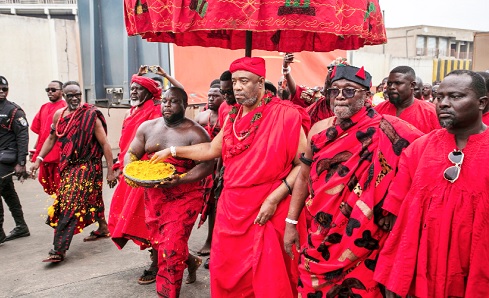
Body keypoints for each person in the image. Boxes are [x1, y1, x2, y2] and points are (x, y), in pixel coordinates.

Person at [150, 57, 310, 297]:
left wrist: (274, 198)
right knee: (225, 269)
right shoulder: (232, 117)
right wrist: (172, 151)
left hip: (267, 208)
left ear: (260, 82)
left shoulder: (286, 115)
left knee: (267, 277)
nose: (236, 87)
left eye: (244, 81)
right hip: (231, 208)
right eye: (234, 81)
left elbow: (302, 166)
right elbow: (212, 150)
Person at [282, 65, 423, 297]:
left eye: (349, 90)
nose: (339, 96)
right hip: (319, 229)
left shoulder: (388, 129)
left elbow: (421, 162)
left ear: (367, 96)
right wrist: (291, 222)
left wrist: (392, 207)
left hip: (364, 236)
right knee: (310, 285)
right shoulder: (318, 130)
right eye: (334, 90)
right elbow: (304, 176)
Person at [374, 70, 489, 298]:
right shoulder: (420, 148)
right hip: (422, 270)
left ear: (481, 103)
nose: (443, 104)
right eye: (439, 96)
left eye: (455, 97)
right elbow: (398, 212)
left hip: (474, 268)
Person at [125, 87, 213, 297]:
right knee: (161, 242)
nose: (166, 105)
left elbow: (208, 165)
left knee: (171, 246)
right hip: (154, 195)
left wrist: (179, 180)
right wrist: (133, 172)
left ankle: (167, 292)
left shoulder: (196, 133)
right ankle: (191, 262)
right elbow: (132, 153)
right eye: (164, 101)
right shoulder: (147, 127)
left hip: (185, 195)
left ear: (185, 105)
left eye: (173, 101)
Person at [30, 81, 117, 262]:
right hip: (69, 167)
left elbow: (105, 144)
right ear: (64, 96)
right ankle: (103, 228)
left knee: (69, 204)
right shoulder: (58, 115)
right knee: (92, 197)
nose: (75, 98)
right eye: (71, 95)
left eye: (77, 94)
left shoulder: (90, 115)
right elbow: (51, 138)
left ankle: (58, 249)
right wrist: (38, 159)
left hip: (88, 166)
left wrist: (110, 170)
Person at [108, 74, 163, 285]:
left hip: (147, 173)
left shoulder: (156, 110)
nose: (133, 92)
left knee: (147, 218)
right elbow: (125, 143)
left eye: (138, 88)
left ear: (149, 92)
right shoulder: (133, 112)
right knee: (134, 218)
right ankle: (158, 256)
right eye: (131, 88)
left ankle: (160, 262)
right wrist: (118, 165)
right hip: (129, 171)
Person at [193, 79, 224, 259]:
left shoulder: (227, 115)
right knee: (208, 205)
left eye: (216, 95)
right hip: (205, 166)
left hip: (221, 167)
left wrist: (219, 169)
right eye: (209, 95)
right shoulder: (201, 116)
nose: (211, 99)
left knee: (217, 205)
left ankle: (212, 241)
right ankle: (211, 239)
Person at [0, 76, 30, 244]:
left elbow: (23, 137)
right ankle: (21, 226)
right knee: (8, 192)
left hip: (7, 159)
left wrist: (21, 163)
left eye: (4, 89)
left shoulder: (14, 111)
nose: (2, 92)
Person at [375, 66, 440, 133]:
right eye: (389, 84)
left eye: (397, 83)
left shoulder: (431, 113)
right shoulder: (377, 111)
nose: (391, 87)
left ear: (412, 85)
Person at [30, 80, 67, 195]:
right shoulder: (43, 107)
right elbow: (41, 132)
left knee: (61, 186)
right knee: (46, 183)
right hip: (44, 154)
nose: (50, 92)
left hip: (58, 156)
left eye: (53, 90)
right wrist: (35, 150)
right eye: (48, 90)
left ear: (62, 92)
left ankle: (60, 210)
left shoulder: (66, 108)